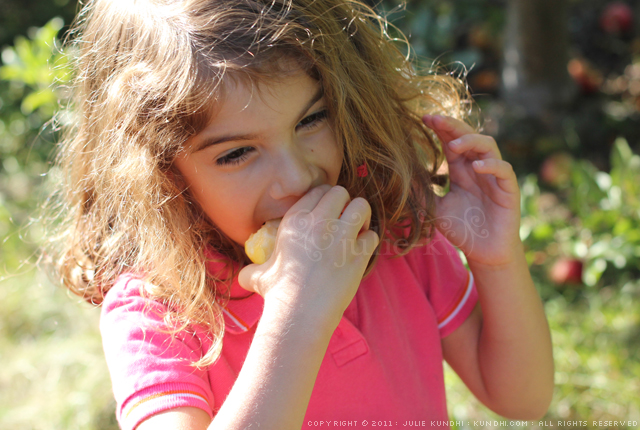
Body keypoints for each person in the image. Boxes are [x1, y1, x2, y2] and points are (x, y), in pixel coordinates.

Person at [47, 0, 554, 428]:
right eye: (236, 153)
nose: (297, 178)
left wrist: (496, 261)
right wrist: (297, 316)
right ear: (163, 173)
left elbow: (521, 398)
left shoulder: (392, 235)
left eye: (311, 119)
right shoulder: (158, 313)